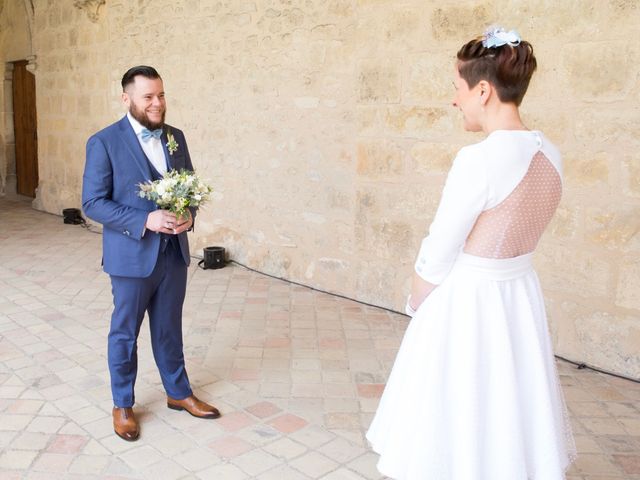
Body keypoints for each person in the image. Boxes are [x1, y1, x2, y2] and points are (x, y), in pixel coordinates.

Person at [366, 27, 576, 479]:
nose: (454, 100)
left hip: (470, 301)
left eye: (457, 89)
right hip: (519, 295)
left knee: (458, 407)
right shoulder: (551, 153)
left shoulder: (479, 159)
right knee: (509, 403)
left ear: (483, 90)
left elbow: (440, 247)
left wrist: (418, 300)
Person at [82, 66, 220, 442]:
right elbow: (92, 203)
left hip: (173, 253)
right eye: (148, 97)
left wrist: (188, 216)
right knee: (125, 333)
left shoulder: (176, 137)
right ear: (127, 99)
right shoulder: (104, 142)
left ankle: (178, 392)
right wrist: (146, 219)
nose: (157, 103)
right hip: (130, 257)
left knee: (169, 327)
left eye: (161, 94)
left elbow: (189, 186)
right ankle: (123, 404)